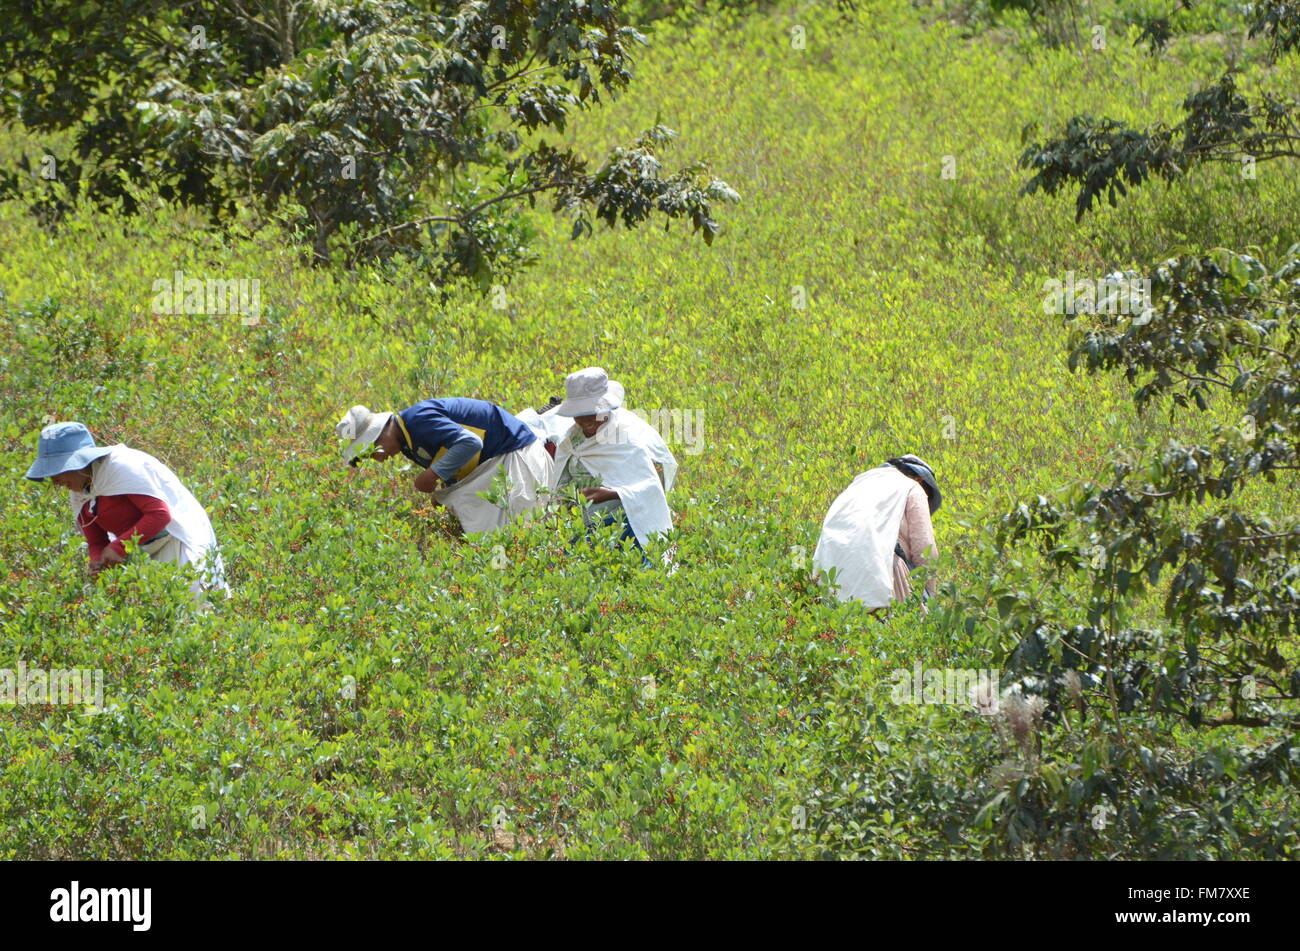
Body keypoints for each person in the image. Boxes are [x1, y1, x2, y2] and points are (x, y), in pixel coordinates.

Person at [25, 422, 228, 596]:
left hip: (176, 541)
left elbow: (159, 514)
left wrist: (118, 547)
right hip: (141, 551)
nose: (55, 481)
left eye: (57, 471)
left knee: (192, 606)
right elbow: (96, 540)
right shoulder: (79, 490)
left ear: (79, 463)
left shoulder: (122, 467)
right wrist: (98, 563)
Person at [336, 397, 553, 535]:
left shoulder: (418, 421)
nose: (377, 458)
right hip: (492, 462)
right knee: (488, 534)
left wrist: (432, 474)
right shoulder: (407, 442)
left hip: (514, 453)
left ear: (381, 433)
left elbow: (470, 442)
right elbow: (453, 455)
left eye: (373, 450)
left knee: (520, 529)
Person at [547, 367, 677, 562]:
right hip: (585, 524)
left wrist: (611, 493)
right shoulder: (570, 441)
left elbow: (651, 488)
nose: (586, 420)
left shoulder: (625, 439)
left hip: (625, 523)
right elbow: (560, 482)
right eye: (579, 414)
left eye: (593, 412)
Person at [813, 454, 941, 612]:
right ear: (919, 480)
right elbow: (925, 550)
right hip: (885, 579)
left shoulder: (857, 485)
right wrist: (930, 598)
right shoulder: (913, 487)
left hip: (830, 584)